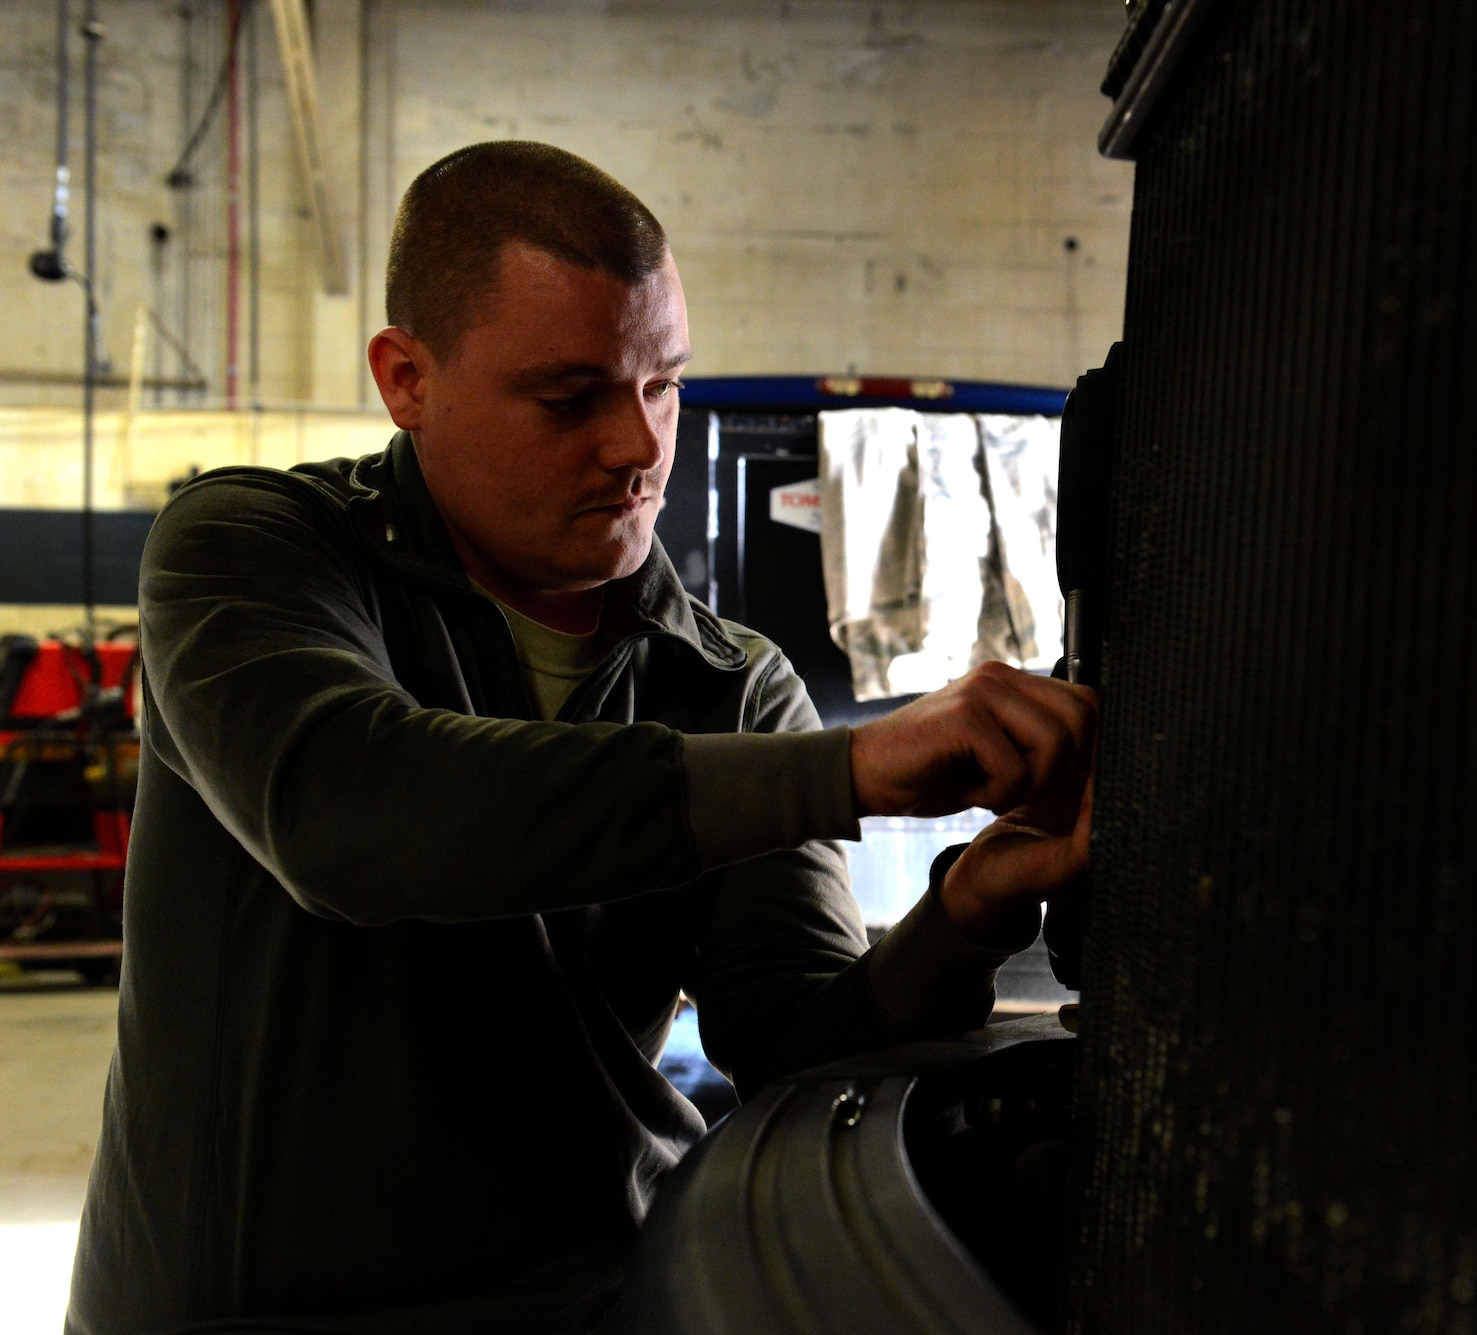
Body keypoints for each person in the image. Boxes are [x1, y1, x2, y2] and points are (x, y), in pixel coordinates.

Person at [65, 140, 1094, 1334]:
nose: (641, 446)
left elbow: (796, 1046)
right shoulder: (256, 551)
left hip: (587, 1306)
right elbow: (347, 809)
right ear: (406, 379)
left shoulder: (724, 684)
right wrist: (849, 769)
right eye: (571, 398)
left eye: (662, 384)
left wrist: (965, 911)